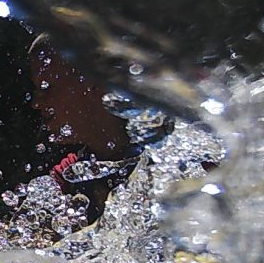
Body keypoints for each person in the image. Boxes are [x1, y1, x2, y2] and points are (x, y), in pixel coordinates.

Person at [27, 33, 171, 224]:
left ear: (95, 83)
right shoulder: (68, 177)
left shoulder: (173, 164)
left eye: (46, 88)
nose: (36, 103)